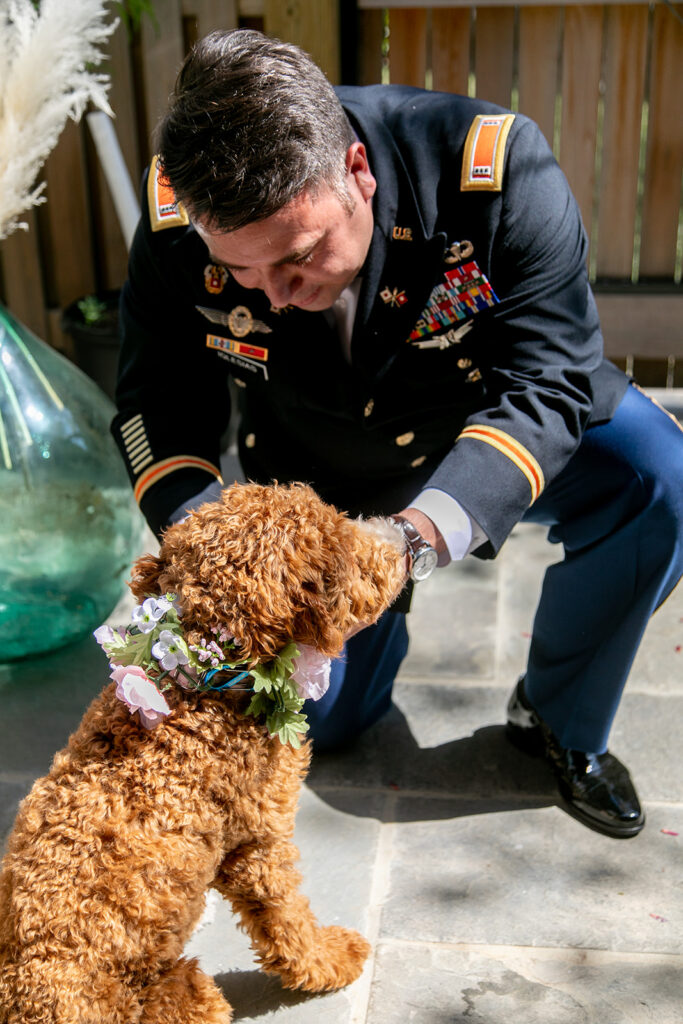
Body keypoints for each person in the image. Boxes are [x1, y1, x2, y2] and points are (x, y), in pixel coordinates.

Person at [113, 28, 683, 840]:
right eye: (241, 272)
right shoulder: (176, 221)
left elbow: (550, 381)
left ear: (356, 172)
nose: (271, 296)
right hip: (322, 481)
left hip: (488, 435)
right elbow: (152, 403)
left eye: (300, 258)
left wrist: (413, 539)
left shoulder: (496, 170)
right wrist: (211, 541)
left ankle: (559, 719)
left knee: (660, 478)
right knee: (328, 726)